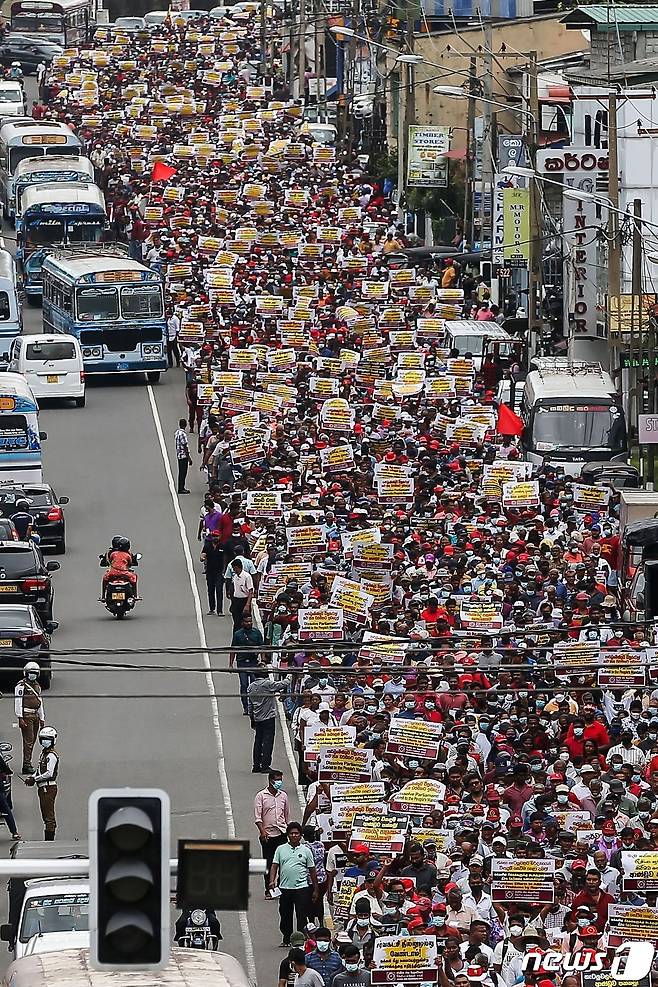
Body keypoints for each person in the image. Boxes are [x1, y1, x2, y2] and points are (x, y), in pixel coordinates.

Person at [270, 822, 319, 947]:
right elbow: (274, 866)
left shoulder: (306, 851)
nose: (294, 835)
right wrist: (272, 880)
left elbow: (312, 870)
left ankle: (300, 939)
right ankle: (287, 938)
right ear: (287, 835)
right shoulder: (280, 849)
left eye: (296, 833)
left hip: (301, 888)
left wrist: (315, 889)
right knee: (285, 914)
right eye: (291, 833)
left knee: (301, 915)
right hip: (285, 888)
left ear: (301, 835)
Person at [254, 769, 289, 898]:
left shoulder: (283, 796)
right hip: (268, 835)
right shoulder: (261, 796)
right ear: (270, 781)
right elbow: (258, 817)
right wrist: (263, 832)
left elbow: (286, 815)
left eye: (281, 780)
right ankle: (268, 889)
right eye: (277, 780)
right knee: (268, 863)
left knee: (283, 862)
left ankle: (280, 886)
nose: (279, 782)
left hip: (281, 833)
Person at [247, 668, 288, 773]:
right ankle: (265, 765)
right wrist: (289, 676)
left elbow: (250, 704)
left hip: (257, 717)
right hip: (268, 717)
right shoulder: (267, 684)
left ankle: (256, 765)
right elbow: (283, 684)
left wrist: (252, 718)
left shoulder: (251, 687)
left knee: (258, 741)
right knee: (268, 742)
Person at [24, 726, 58, 840]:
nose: (45, 741)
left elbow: (49, 773)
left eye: (47, 739)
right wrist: (32, 777)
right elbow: (39, 770)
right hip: (43, 788)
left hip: (48, 788)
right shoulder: (44, 753)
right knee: (45, 815)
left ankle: (49, 841)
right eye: (43, 739)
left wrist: (35, 779)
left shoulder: (51, 756)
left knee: (49, 816)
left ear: (53, 740)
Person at [14, 661, 44, 775]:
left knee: (33, 740)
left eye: (35, 673)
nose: (33, 675)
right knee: (28, 741)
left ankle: (28, 762)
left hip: (35, 715)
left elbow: (40, 702)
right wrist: (20, 718)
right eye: (31, 673)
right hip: (27, 716)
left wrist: (42, 718)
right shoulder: (21, 685)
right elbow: (18, 701)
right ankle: (26, 765)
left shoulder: (37, 685)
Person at [230, 612, 263, 713]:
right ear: (242, 623)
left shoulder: (256, 633)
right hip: (242, 663)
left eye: (250, 621)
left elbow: (262, 648)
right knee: (244, 685)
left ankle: (254, 705)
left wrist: (263, 661)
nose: (249, 623)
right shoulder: (237, 634)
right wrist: (230, 664)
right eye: (246, 621)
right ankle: (245, 707)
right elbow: (233, 649)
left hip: (254, 663)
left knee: (254, 686)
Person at [100, 536, 138, 602]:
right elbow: (130, 563)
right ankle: (135, 595)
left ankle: (103, 596)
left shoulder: (112, 553)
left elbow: (109, 561)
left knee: (104, 579)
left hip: (112, 573)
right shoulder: (128, 555)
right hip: (124, 573)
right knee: (134, 577)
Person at [200, 528, 225, 616]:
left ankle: (220, 610)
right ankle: (211, 608)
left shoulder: (223, 546)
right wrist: (202, 557)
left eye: (216, 536)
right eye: (214, 536)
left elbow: (226, 558)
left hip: (219, 572)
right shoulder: (207, 546)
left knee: (219, 590)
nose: (215, 538)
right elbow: (203, 554)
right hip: (210, 572)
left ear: (220, 537)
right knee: (210, 590)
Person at [226, 557, 254, 629]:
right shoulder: (235, 577)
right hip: (236, 601)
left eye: (234, 568)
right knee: (236, 622)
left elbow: (250, 591)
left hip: (244, 600)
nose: (234, 570)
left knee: (245, 621)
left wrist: (247, 604)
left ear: (238, 567)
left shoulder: (247, 576)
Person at [175, 418, 192, 494]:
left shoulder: (177, 433)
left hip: (179, 455)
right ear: (185, 425)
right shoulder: (183, 434)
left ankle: (180, 487)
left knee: (181, 472)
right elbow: (185, 446)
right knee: (183, 472)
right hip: (183, 456)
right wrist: (189, 458)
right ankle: (181, 488)